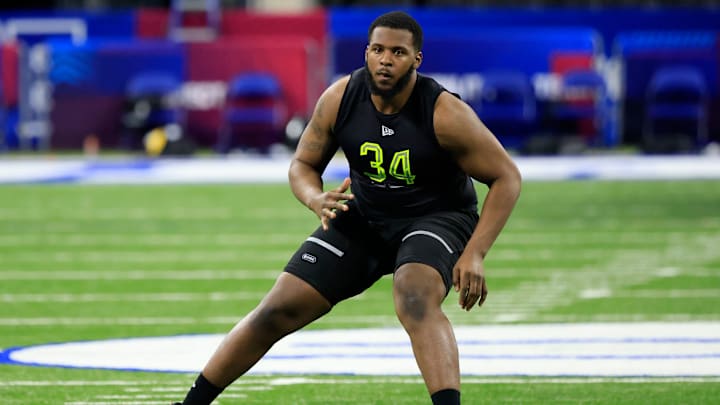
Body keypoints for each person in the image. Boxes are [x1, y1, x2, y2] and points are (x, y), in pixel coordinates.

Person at [174, 10, 521, 405]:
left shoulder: (445, 113)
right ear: (366, 52)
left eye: (398, 52)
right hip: (365, 215)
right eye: (377, 50)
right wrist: (315, 198)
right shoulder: (340, 97)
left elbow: (507, 177)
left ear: (417, 60)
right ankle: (190, 404)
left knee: (413, 295)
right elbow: (303, 165)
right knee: (278, 308)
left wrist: (475, 253)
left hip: (436, 217)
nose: (385, 60)